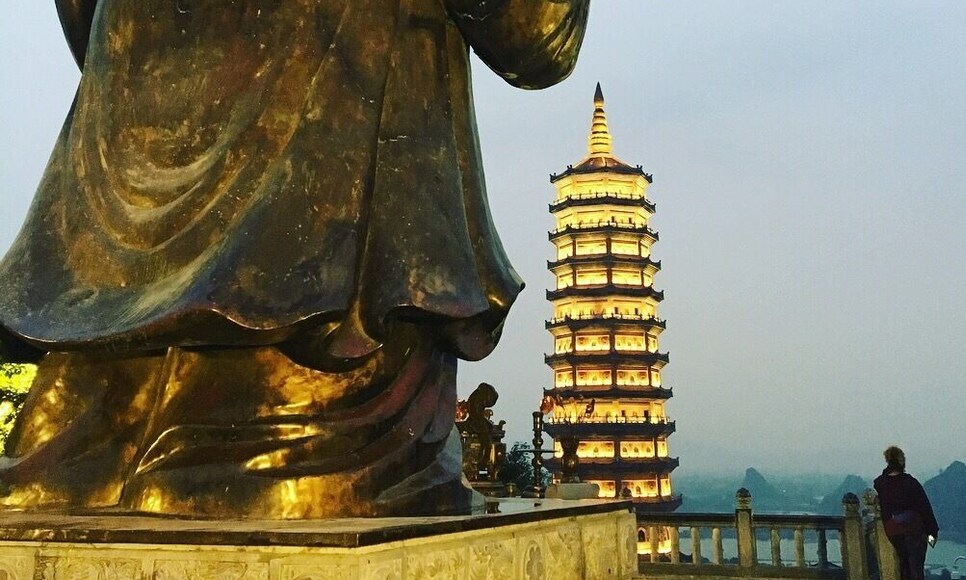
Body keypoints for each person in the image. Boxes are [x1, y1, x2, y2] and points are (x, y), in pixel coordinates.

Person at [0, 0, 590, 518]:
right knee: (261, 466)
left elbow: (81, 18)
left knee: (70, 466)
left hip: (107, 309)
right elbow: (533, 33)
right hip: (328, 327)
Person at [873, 446, 939, 580]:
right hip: (913, 530)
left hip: (893, 530)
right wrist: (933, 531)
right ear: (901, 461)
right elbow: (924, 507)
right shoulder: (911, 483)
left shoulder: (880, 483)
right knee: (916, 566)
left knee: (904, 564)